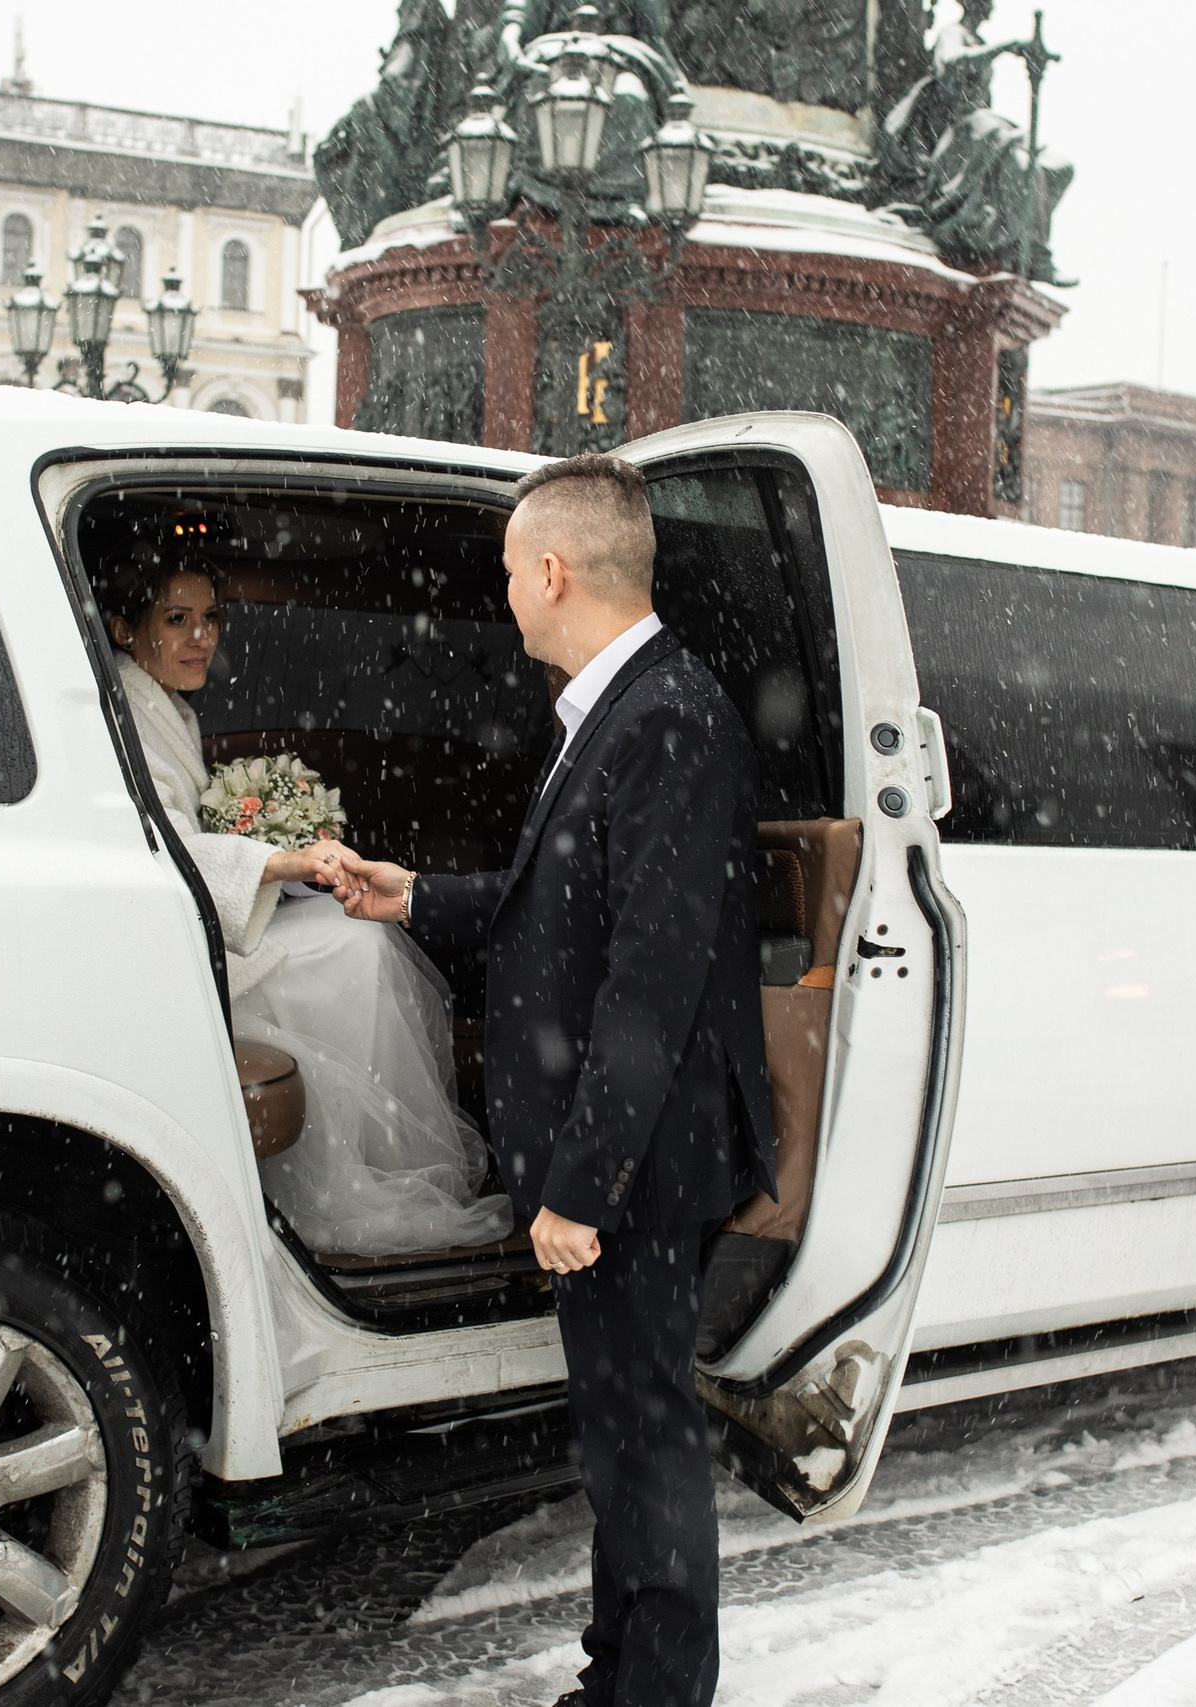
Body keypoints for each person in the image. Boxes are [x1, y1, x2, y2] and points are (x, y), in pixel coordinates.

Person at [335, 454, 775, 1707]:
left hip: (638, 1156)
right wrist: (415, 895)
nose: (504, 595)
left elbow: (651, 981)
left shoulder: (667, 718)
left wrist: (583, 1185)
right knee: (619, 1435)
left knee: (647, 1440)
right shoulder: (620, 706)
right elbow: (562, 909)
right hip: (616, 1146)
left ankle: (656, 1691)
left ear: (551, 572)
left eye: (506, 572)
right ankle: (615, 1677)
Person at [104, 558, 513, 1259]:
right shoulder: (128, 712)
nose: (201, 637)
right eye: (177, 619)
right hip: (181, 949)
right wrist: (285, 861)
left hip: (210, 923)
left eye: (211, 618)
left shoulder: (158, 701)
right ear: (123, 629)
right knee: (359, 946)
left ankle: (373, 1158)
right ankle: (357, 1174)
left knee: (353, 932)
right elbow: (166, 846)